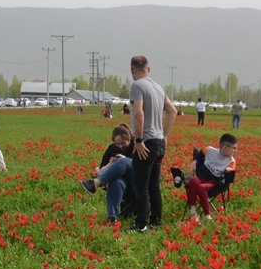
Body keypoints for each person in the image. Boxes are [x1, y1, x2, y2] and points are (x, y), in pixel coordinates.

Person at [128, 55, 178, 232]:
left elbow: (138, 113)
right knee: (153, 184)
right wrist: (164, 134)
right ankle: (156, 218)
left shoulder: (137, 85)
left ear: (133, 70)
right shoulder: (158, 87)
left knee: (141, 185)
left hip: (146, 142)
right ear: (148, 69)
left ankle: (142, 224)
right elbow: (172, 111)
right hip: (159, 142)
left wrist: (139, 139)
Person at [80, 123, 136, 223]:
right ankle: (112, 217)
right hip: (123, 184)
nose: (120, 146)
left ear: (129, 138)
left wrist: (124, 159)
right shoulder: (111, 148)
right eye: (117, 144)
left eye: (123, 143)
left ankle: (96, 183)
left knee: (124, 161)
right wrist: (110, 163)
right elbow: (101, 170)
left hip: (135, 180)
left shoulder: (136, 145)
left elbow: (141, 166)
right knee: (117, 182)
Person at [182, 133, 237, 222]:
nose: (236, 150)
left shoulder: (231, 161)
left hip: (214, 183)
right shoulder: (209, 150)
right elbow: (199, 154)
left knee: (201, 188)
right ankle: (193, 211)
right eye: (234, 148)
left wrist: (228, 171)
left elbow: (230, 177)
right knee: (192, 180)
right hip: (202, 177)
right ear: (225, 148)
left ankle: (207, 215)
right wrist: (194, 162)